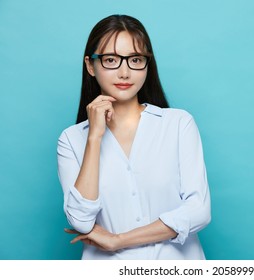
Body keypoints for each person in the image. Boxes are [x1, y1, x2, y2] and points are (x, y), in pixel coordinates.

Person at [57, 14, 211, 260]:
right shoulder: (72, 139)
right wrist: (94, 137)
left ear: (147, 65)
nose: (125, 72)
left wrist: (118, 240)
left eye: (135, 59)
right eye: (111, 60)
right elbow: (81, 221)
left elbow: (199, 211)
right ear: (90, 65)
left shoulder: (178, 124)